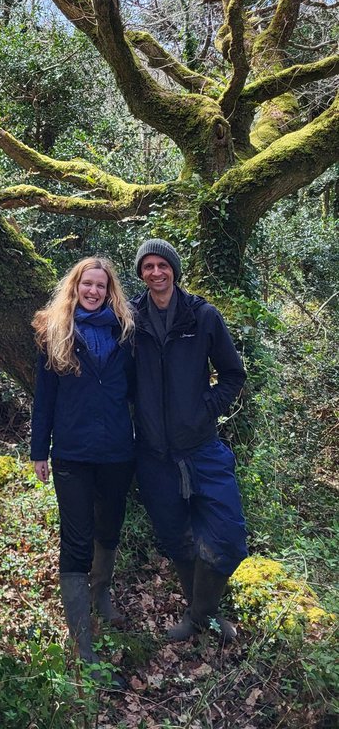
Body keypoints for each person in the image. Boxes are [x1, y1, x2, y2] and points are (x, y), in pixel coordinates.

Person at [131, 238, 248, 641]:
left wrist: (204, 408)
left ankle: (201, 614)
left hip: (201, 446)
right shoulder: (130, 318)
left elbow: (233, 374)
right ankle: (199, 616)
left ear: (174, 270)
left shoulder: (202, 316)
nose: (156, 273)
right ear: (141, 273)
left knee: (228, 534)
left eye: (163, 265)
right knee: (176, 537)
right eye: (148, 266)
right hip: (153, 453)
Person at [30, 256, 135, 664]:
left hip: (116, 452)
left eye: (101, 286)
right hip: (72, 452)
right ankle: (81, 639)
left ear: (110, 292)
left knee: (109, 525)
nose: (93, 291)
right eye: (86, 284)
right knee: (76, 538)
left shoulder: (126, 334)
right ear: (74, 288)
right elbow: (45, 399)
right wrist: (40, 449)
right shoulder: (55, 332)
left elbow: (139, 391)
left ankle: (101, 595)